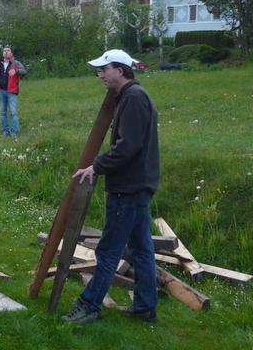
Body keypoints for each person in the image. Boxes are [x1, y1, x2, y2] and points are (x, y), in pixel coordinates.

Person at [62, 49, 160, 324]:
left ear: (120, 69)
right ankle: (145, 307)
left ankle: (88, 306)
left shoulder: (134, 98)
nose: (101, 75)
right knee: (142, 249)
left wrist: (97, 166)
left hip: (128, 189)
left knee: (108, 250)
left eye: (104, 69)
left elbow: (128, 146)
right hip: (136, 185)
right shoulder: (130, 97)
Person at [0, 46, 26, 137]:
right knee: (2, 113)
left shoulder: (15, 63)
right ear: (3, 53)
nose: (6, 52)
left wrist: (16, 71)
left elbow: (24, 71)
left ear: (11, 53)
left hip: (11, 92)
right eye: (4, 51)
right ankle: (5, 132)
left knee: (13, 113)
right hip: (1, 91)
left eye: (8, 50)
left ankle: (14, 132)